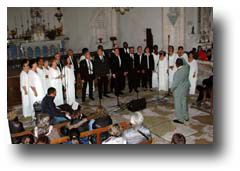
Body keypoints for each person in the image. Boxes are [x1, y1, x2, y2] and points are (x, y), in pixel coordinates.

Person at [171, 58, 190, 124]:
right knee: (184, 103)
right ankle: (186, 116)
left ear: (176, 64)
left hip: (179, 90)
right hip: (185, 88)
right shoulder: (187, 68)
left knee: (178, 104)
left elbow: (175, 84)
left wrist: (171, 89)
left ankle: (180, 119)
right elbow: (187, 64)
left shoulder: (178, 73)